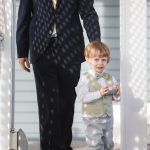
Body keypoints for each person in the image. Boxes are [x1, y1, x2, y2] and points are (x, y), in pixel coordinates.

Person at [16, 0, 101, 149]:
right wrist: (22, 51)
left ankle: (63, 146)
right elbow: (24, 15)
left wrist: (95, 44)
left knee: (66, 103)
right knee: (47, 106)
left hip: (71, 49)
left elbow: (88, 13)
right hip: (42, 49)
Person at [75, 41, 120, 150]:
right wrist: (99, 93)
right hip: (92, 118)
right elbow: (83, 97)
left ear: (107, 61)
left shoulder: (110, 78)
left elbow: (115, 98)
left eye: (103, 60)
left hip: (108, 117)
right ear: (88, 59)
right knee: (95, 144)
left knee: (108, 144)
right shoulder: (85, 79)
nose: (100, 63)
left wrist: (117, 94)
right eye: (96, 60)